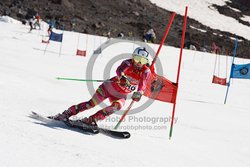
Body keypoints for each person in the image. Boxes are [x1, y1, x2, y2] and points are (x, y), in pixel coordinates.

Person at [49, 47, 151, 128]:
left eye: (142, 60)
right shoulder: (128, 63)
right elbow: (119, 70)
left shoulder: (146, 71)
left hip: (121, 95)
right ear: (133, 57)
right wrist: (122, 77)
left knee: (117, 107)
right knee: (91, 104)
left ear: (146, 61)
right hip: (108, 88)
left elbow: (143, 84)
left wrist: (139, 93)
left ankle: (91, 120)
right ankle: (66, 114)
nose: (139, 63)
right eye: (137, 59)